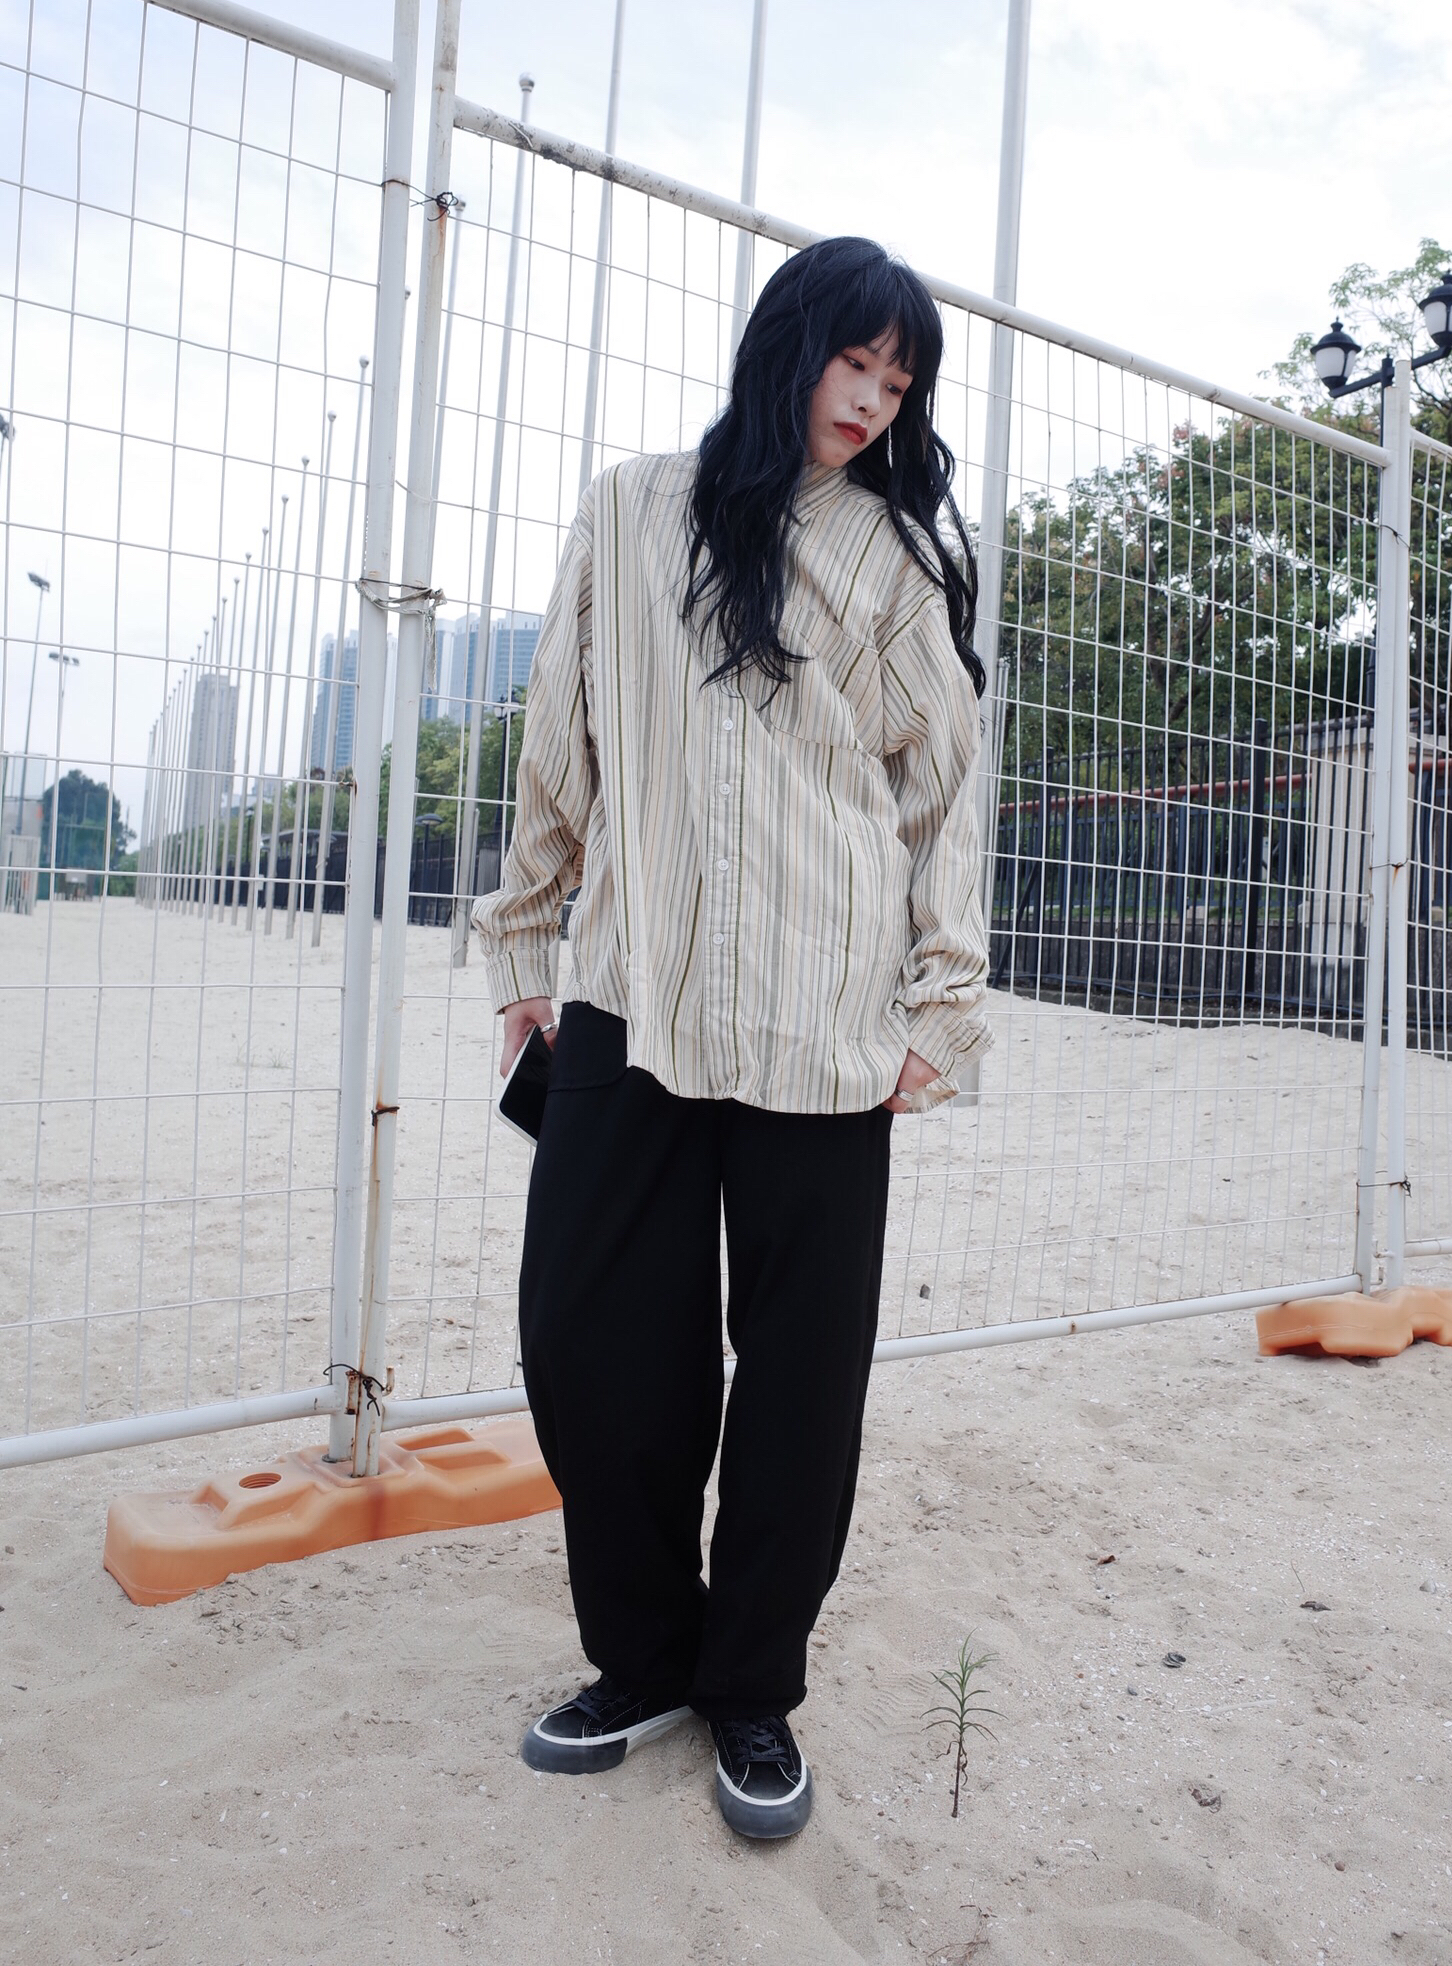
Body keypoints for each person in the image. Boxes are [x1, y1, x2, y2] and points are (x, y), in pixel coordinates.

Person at [472, 235, 991, 1842]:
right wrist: (524, 937)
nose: (874, 398)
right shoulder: (632, 510)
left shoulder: (890, 561)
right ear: (789, 342)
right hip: (632, 998)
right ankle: (639, 1661)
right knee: (588, 1344)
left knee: (801, 1384)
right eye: (857, 360)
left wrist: (942, 1003)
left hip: (826, 1022)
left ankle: (750, 1686)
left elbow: (943, 791)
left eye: (900, 380)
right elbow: (562, 728)